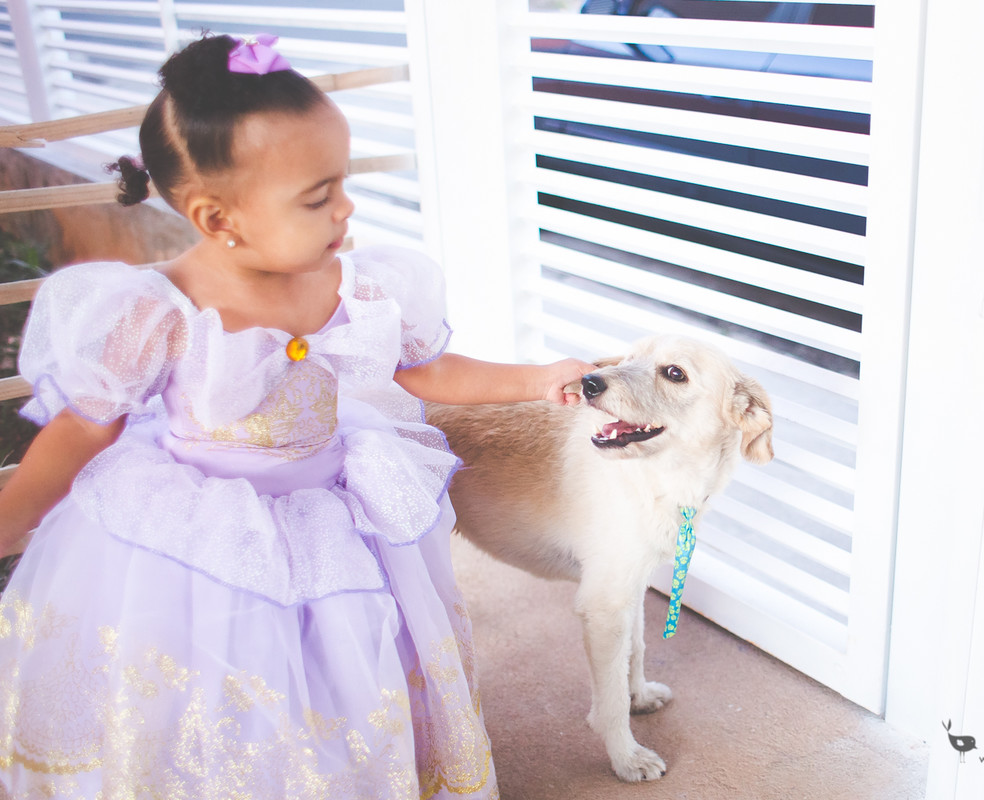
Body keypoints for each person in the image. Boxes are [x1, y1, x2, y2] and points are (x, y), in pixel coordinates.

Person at [0, 33, 591, 799]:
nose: (346, 209)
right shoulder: (159, 311)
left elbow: (425, 368)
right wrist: (11, 518)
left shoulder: (356, 283)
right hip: (199, 533)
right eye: (318, 197)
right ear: (219, 219)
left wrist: (536, 379)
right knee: (223, 676)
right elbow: (83, 428)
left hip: (329, 508)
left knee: (347, 662)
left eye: (341, 184)